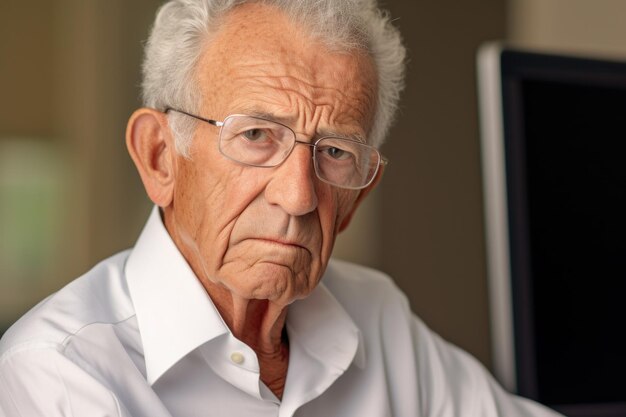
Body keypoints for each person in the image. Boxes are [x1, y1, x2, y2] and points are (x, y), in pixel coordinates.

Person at [0, 1, 563, 416]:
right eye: (256, 136)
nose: (297, 196)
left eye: (335, 152)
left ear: (356, 198)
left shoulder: (378, 317)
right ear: (160, 158)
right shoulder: (58, 374)